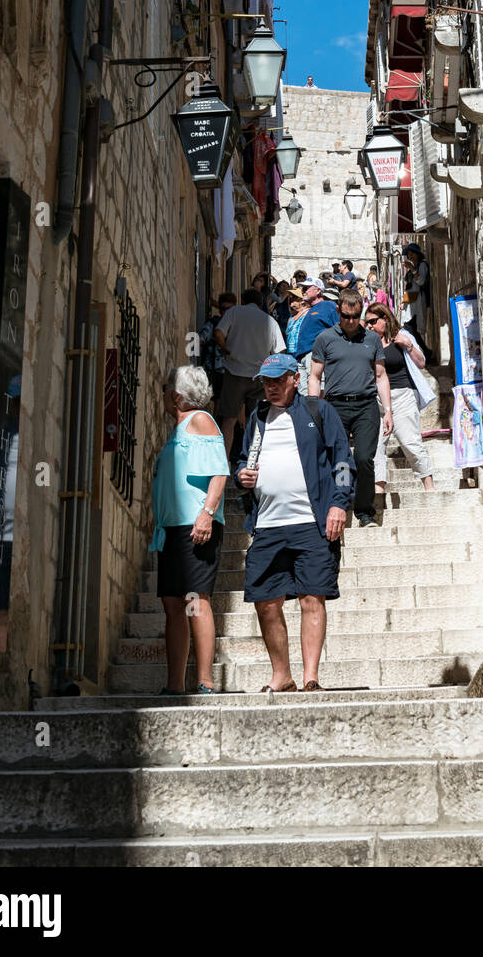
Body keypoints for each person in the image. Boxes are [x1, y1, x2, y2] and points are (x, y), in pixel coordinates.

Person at [234, 354, 355, 692]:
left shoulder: (318, 411)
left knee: (311, 597)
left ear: (294, 380)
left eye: (277, 381)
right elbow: (245, 459)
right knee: (265, 600)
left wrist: (339, 505)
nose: (270, 387)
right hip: (268, 523)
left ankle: (310, 677)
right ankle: (281, 675)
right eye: (266, 382)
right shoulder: (258, 417)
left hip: (311, 521)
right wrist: (241, 473)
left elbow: (343, 460)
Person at [151, 366, 229, 695]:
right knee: (173, 603)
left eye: (167, 388)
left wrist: (207, 514)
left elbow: (220, 472)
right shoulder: (178, 429)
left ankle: (205, 681)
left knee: (196, 600)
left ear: (177, 396)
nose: (164, 393)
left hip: (196, 524)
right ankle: (174, 684)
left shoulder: (201, 420)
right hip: (172, 528)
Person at [309, 289, 393, 529]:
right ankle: (341, 502)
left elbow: (381, 376)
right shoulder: (325, 339)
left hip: (366, 405)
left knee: (365, 458)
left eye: (356, 316)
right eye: (346, 316)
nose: (351, 321)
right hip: (335, 406)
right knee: (341, 460)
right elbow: (315, 377)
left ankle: (365, 510)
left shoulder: (372, 339)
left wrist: (388, 410)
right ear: (338, 311)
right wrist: (313, 408)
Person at [365, 302, 435, 499]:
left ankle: (429, 488)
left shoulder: (400, 336)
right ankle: (378, 494)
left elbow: (421, 364)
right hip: (378, 400)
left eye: (373, 321)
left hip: (403, 395)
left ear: (385, 319)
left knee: (410, 442)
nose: (369, 326)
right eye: (367, 323)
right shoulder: (368, 342)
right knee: (376, 445)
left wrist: (408, 344)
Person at [214, 289, 285, 457]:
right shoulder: (269, 320)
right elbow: (280, 352)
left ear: (243, 300)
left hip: (235, 372)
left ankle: (224, 462)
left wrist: (225, 349)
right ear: (260, 304)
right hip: (260, 376)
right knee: (259, 421)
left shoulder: (234, 312)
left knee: (229, 420)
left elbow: (218, 332)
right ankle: (256, 459)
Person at [292, 277, 339, 394]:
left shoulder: (329, 306)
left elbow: (339, 329)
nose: (303, 290)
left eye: (307, 288)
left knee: (317, 391)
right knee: (303, 394)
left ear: (318, 290)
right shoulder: (310, 309)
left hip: (315, 355)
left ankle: (320, 412)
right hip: (301, 357)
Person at [199, 292, 236, 403]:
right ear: (220, 310)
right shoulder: (213, 324)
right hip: (217, 371)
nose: (227, 312)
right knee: (220, 403)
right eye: (224, 309)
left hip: (235, 371)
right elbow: (200, 339)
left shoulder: (239, 326)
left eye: (230, 309)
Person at [401, 244, 433, 362]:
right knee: (410, 327)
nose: (411, 256)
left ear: (418, 254)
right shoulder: (412, 268)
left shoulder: (422, 265)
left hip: (418, 300)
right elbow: (410, 287)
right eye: (409, 255)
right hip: (411, 302)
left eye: (412, 254)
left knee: (413, 327)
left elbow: (420, 281)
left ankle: (424, 353)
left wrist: (413, 269)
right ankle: (425, 352)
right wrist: (403, 301)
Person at [285, 289, 308, 354]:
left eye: (294, 298)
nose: (291, 299)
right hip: (290, 355)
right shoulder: (290, 318)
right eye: (291, 297)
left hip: (302, 353)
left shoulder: (307, 314)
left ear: (302, 301)